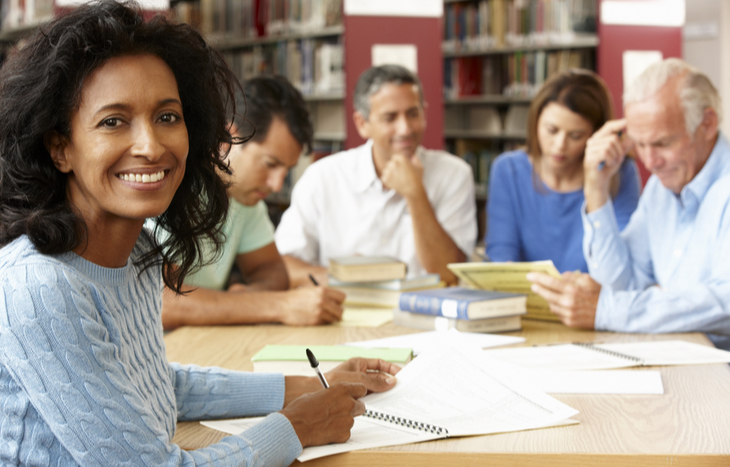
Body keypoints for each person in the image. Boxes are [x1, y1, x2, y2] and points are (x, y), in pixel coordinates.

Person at [0, 2, 399, 464]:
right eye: (114, 121)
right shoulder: (40, 286)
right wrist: (298, 426)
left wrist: (314, 384)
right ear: (60, 147)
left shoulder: (137, 253)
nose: (151, 146)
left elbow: (159, 385)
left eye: (167, 116)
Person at [527, 58, 730, 350]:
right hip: (671, 357)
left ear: (707, 124)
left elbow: (724, 303)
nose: (649, 162)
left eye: (662, 143)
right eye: (639, 144)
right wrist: (596, 188)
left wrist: (608, 309)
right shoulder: (661, 189)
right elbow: (621, 284)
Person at [155, 76, 345, 329]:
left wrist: (246, 300)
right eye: (270, 164)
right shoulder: (170, 187)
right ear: (227, 139)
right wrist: (275, 305)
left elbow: (272, 271)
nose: (277, 184)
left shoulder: (245, 197)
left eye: (286, 170)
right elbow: (160, 300)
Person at [275, 65, 477, 286]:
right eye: (390, 118)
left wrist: (415, 194)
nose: (405, 129)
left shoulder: (454, 174)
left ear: (425, 114)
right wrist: (345, 275)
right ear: (362, 124)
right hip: (344, 312)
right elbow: (283, 267)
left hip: (423, 312)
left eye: (413, 114)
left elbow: (449, 276)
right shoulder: (323, 177)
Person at [486, 69, 641, 273]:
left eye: (575, 136)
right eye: (551, 130)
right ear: (535, 122)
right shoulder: (508, 170)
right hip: (524, 298)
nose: (559, 146)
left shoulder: (619, 173)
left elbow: (620, 266)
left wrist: (596, 186)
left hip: (590, 301)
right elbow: (501, 256)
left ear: (595, 136)